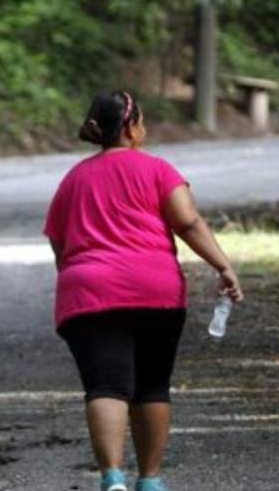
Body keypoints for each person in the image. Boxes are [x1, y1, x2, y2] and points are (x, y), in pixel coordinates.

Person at [44, 91, 243, 491]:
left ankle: (112, 477)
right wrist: (222, 266)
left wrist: (79, 277)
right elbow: (188, 223)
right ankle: (150, 480)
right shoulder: (158, 169)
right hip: (155, 291)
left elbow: (59, 241)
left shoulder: (75, 177)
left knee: (106, 385)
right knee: (152, 386)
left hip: (90, 292)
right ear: (133, 127)